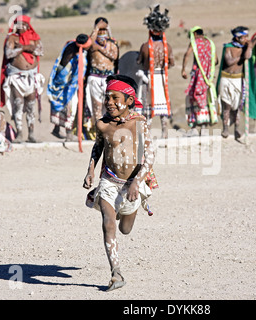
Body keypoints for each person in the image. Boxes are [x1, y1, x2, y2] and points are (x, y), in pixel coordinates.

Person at [83, 74, 157, 292]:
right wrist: (90, 170)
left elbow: (150, 156)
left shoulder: (139, 124)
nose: (109, 102)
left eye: (115, 98)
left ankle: (128, 211)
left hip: (132, 184)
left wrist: (136, 182)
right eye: (107, 97)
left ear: (129, 101)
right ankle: (116, 273)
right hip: (108, 180)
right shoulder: (103, 124)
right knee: (108, 222)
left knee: (125, 229)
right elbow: (98, 147)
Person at [1, 15, 44, 143]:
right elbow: (8, 54)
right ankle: (19, 133)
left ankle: (31, 133)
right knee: (18, 104)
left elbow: (40, 51)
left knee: (31, 106)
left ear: (27, 25)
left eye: (23, 24)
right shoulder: (12, 38)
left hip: (31, 76)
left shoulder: (35, 38)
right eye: (18, 25)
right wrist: (25, 48)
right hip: (16, 77)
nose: (20, 27)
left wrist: (22, 48)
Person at [136, 5, 175, 138]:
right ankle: (164, 132)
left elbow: (139, 62)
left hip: (149, 79)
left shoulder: (145, 47)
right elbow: (171, 63)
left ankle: (148, 133)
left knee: (148, 105)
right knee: (163, 105)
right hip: (162, 79)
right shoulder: (167, 47)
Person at [47, 34, 92, 142]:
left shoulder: (70, 45)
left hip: (61, 81)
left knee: (62, 104)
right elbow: (71, 71)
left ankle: (56, 128)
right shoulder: (77, 55)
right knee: (70, 107)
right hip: (68, 84)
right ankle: (69, 134)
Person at [217, 26, 253, 140]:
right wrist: (241, 56)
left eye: (247, 36)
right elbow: (229, 62)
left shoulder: (246, 48)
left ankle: (237, 127)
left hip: (238, 79)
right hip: (227, 79)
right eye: (244, 37)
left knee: (238, 106)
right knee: (226, 105)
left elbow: (247, 56)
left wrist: (249, 46)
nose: (246, 39)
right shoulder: (228, 47)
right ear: (237, 38)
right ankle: (225, 128)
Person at [182, 26, 218, 131]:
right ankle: (204, 126)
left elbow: (187, 55)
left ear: (194, 34)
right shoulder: (210, 43)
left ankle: (193, 125)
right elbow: (216, 60)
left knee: (193, 97)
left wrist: (183, 70)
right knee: (205, 97)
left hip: (198, 75)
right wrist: (207, 66)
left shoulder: (194, 43)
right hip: (208, 76)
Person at [86, 17, 119, 130]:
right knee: (97, 108)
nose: (101, 32)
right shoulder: (91, 43)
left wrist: (99, 48)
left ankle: (108, 132)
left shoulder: (112, 43)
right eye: (99, 30)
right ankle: (99, 134)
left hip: (108, 79)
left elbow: (114, 56)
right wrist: (96, 28)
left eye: (103, 29)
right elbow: (89, 45)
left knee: (110, 107)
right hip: (95, 78)